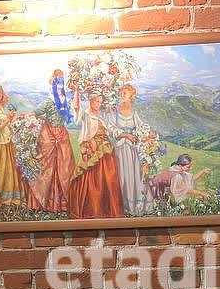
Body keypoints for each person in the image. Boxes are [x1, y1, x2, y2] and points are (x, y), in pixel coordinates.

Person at [68, 90, 123, 220]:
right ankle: (92, 210)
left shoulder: (101, 116)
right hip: (93, 150)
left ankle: (107, 210)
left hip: (105, 149)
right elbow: (76, 108)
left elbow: (109, 130)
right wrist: (77, 90)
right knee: (93, 179)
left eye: (100, 102)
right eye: (97, 101)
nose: (98, 104)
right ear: (90, 100)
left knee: (109, 178)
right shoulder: (85, 114)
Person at [106, 83, 152, 215]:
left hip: (133, 151)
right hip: (120, 149)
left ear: (131, 96)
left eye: (125, 93)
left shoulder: (134, 113)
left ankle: (136, 205)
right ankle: (123, 206)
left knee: (134, 175)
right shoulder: (114, 112)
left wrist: (148, 135)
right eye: (121, 93)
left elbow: (141, 128)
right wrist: (125, 135)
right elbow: (110, 128)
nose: (122, 95)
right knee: (122, 175)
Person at [29, 101, 76, 213]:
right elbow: (36, 113)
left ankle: (62, 203)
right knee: (46, 166)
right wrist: (41, 118)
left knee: (64, 166)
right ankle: (42, 201)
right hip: (48, 134)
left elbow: (70, 115)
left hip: (62, 135)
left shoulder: (66, 102)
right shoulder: (48, 102)